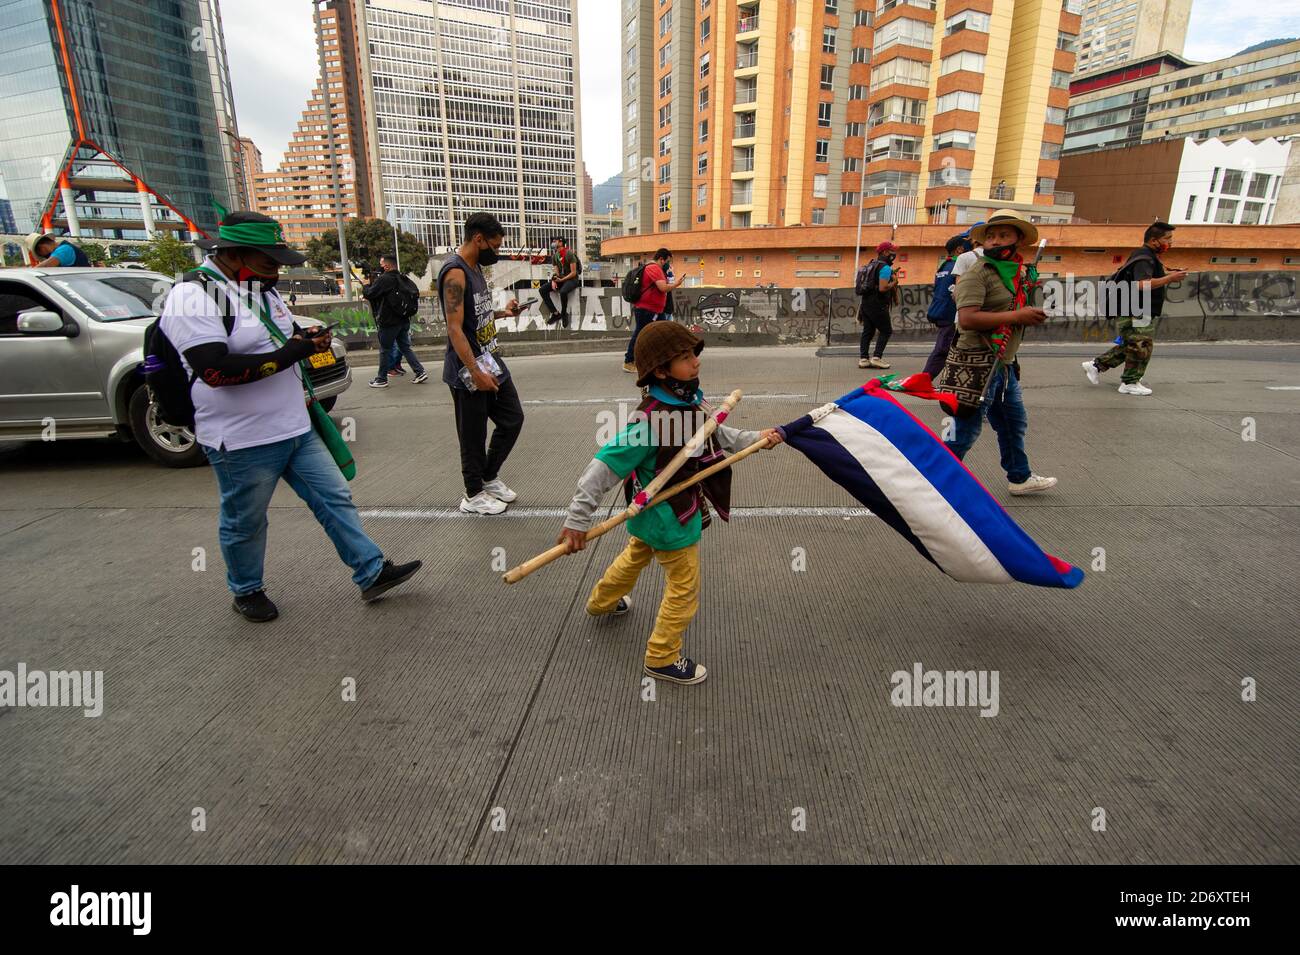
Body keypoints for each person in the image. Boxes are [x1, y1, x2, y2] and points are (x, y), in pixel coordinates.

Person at [158, 211, 422, 621]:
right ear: (233, 254)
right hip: (242, 438)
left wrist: (305, 339)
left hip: (295, 425)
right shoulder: (193, 296)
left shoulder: (259, 289)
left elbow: (279, 338)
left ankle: (371, 572)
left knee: (334, 497)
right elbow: (214, 370)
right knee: (246, 519)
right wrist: (293, 352)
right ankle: (246, 590)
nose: (276, 272)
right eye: (268, 262)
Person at [558, 322, 784, 685]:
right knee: (684, 587)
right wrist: (577, 520)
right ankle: (662, 657)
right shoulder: (650, 423)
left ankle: (601, 602)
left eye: (694, 353)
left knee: (634, 556)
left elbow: (717, 433)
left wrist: (757, 438)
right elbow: (600, 470)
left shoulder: (688, 399)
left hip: (650, 520)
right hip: (671, 519)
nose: (695, 362)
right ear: (661, 371)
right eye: (683, 357)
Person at [943, 210, 1057, 496]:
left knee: (1012, 423)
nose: (995, 241)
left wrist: (1026, 298)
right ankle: (933, 483)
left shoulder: (1017, 274)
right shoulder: (977, 273)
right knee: (963, 432)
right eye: (991, 237)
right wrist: (1018, 315)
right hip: (977, 364)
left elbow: (1010, 307)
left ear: (1018, 239)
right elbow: (967, 319)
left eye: (1003, 235)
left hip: (1003, 364)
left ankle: (1020, 477)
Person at [439, 212, 526, 515]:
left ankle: (488, 476)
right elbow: (454, 327)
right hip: (468, 370)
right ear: (478, 239)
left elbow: (477, 316)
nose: (496, 252)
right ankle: (472, 494)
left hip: (491, 360)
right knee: (473, 435)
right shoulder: (455, 273)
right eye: (495, 245)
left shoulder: (475, 269)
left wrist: (504, 313)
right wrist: (475, 372)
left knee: (513, 418)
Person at [1083, 221, 1185, 396]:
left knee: (1132, 344)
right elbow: (1141, 284)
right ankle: (1129, 383)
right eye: (1167, 239)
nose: (1170, 243)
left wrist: (1169, 276)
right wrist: (1170, 279)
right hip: (1136, 310)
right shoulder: (1145, 259)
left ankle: (1096, 365)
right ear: (1154, 240)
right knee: (1141, 346)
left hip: (1133, 308)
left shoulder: (1145, 256)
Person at [364, 254, 426, 387]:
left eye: (381, 265)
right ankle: (420, 372)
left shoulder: (385, 279)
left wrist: (365, 286)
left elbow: (370, 294)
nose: (380, 268)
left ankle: (381, 379)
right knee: (405, 347)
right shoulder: (402, 278)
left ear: (387, 266)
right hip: (404, 320)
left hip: (389, 322)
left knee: (385, 350)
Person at [917, 235, 972, 383]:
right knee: (943, 350)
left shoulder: (944, 265)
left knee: (948, 349)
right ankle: (924, 381)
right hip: (950, 313)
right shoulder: (959, 266)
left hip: (939, 311)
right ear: (960, 249)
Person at [622, 247, 684, 374]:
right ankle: (629, 361)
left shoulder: (650, 267)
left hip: (654, 310)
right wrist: (677, 284)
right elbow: (663, 288)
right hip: (648, 309)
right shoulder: (654, 268)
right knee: (641, 334)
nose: (668, 264)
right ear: (661, 259)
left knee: (661, 335)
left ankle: (660, 361)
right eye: (667, 261)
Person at [854, 241, 900, 370]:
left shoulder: (871, 265)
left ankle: (863, 359)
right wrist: (894, 282)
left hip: (866, 303)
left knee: (868, 331)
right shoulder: (885, 268)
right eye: (892, 251)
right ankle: (876, 358)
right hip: (878, 304)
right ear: (885, 252)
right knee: (886, 330)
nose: (893, 254)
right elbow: (883, 287)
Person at [540, 235, 581, 328]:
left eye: (556, 241)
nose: (553, 243)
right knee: (542, 290)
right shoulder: (555, 256)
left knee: (563, 292)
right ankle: (555, 313)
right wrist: (554, 280)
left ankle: (563, 313)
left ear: (561, 243)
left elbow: (574, 272)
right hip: (561, 279)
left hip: (572, 279)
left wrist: (562, 279)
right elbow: (557, 273)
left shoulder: (569, 254)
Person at [22, 232, 90, 268]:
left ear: (42, 248)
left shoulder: (64, 250)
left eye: (40, 255)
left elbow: (45, 266)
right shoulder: (64, 248)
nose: (45, 257)